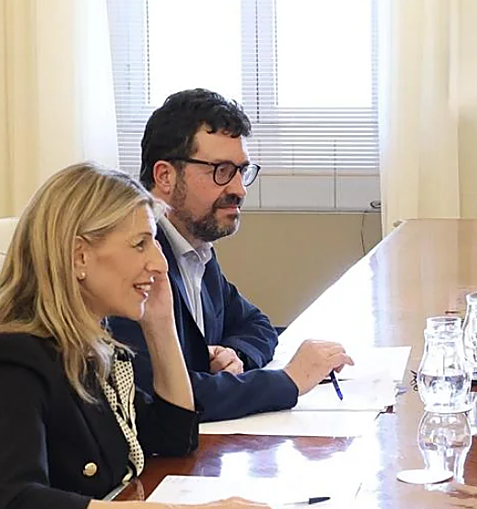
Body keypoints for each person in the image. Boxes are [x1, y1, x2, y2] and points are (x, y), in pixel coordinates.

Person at [0, 164, 294, 509]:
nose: (159, 262)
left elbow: (171, 436)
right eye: (140, 244)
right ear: (79, 257)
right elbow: (17, 508)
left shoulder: (91, 347)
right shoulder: (14, 358)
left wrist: (161, 326)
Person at [108, 88, 351, 422]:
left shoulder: (195, 248)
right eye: (221, 170)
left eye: (242, 171)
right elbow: (161, 396)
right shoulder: (131, 262)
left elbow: (257, 325)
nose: (239, 189)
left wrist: (234, 356)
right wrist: (288, 381)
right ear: (165, 176)